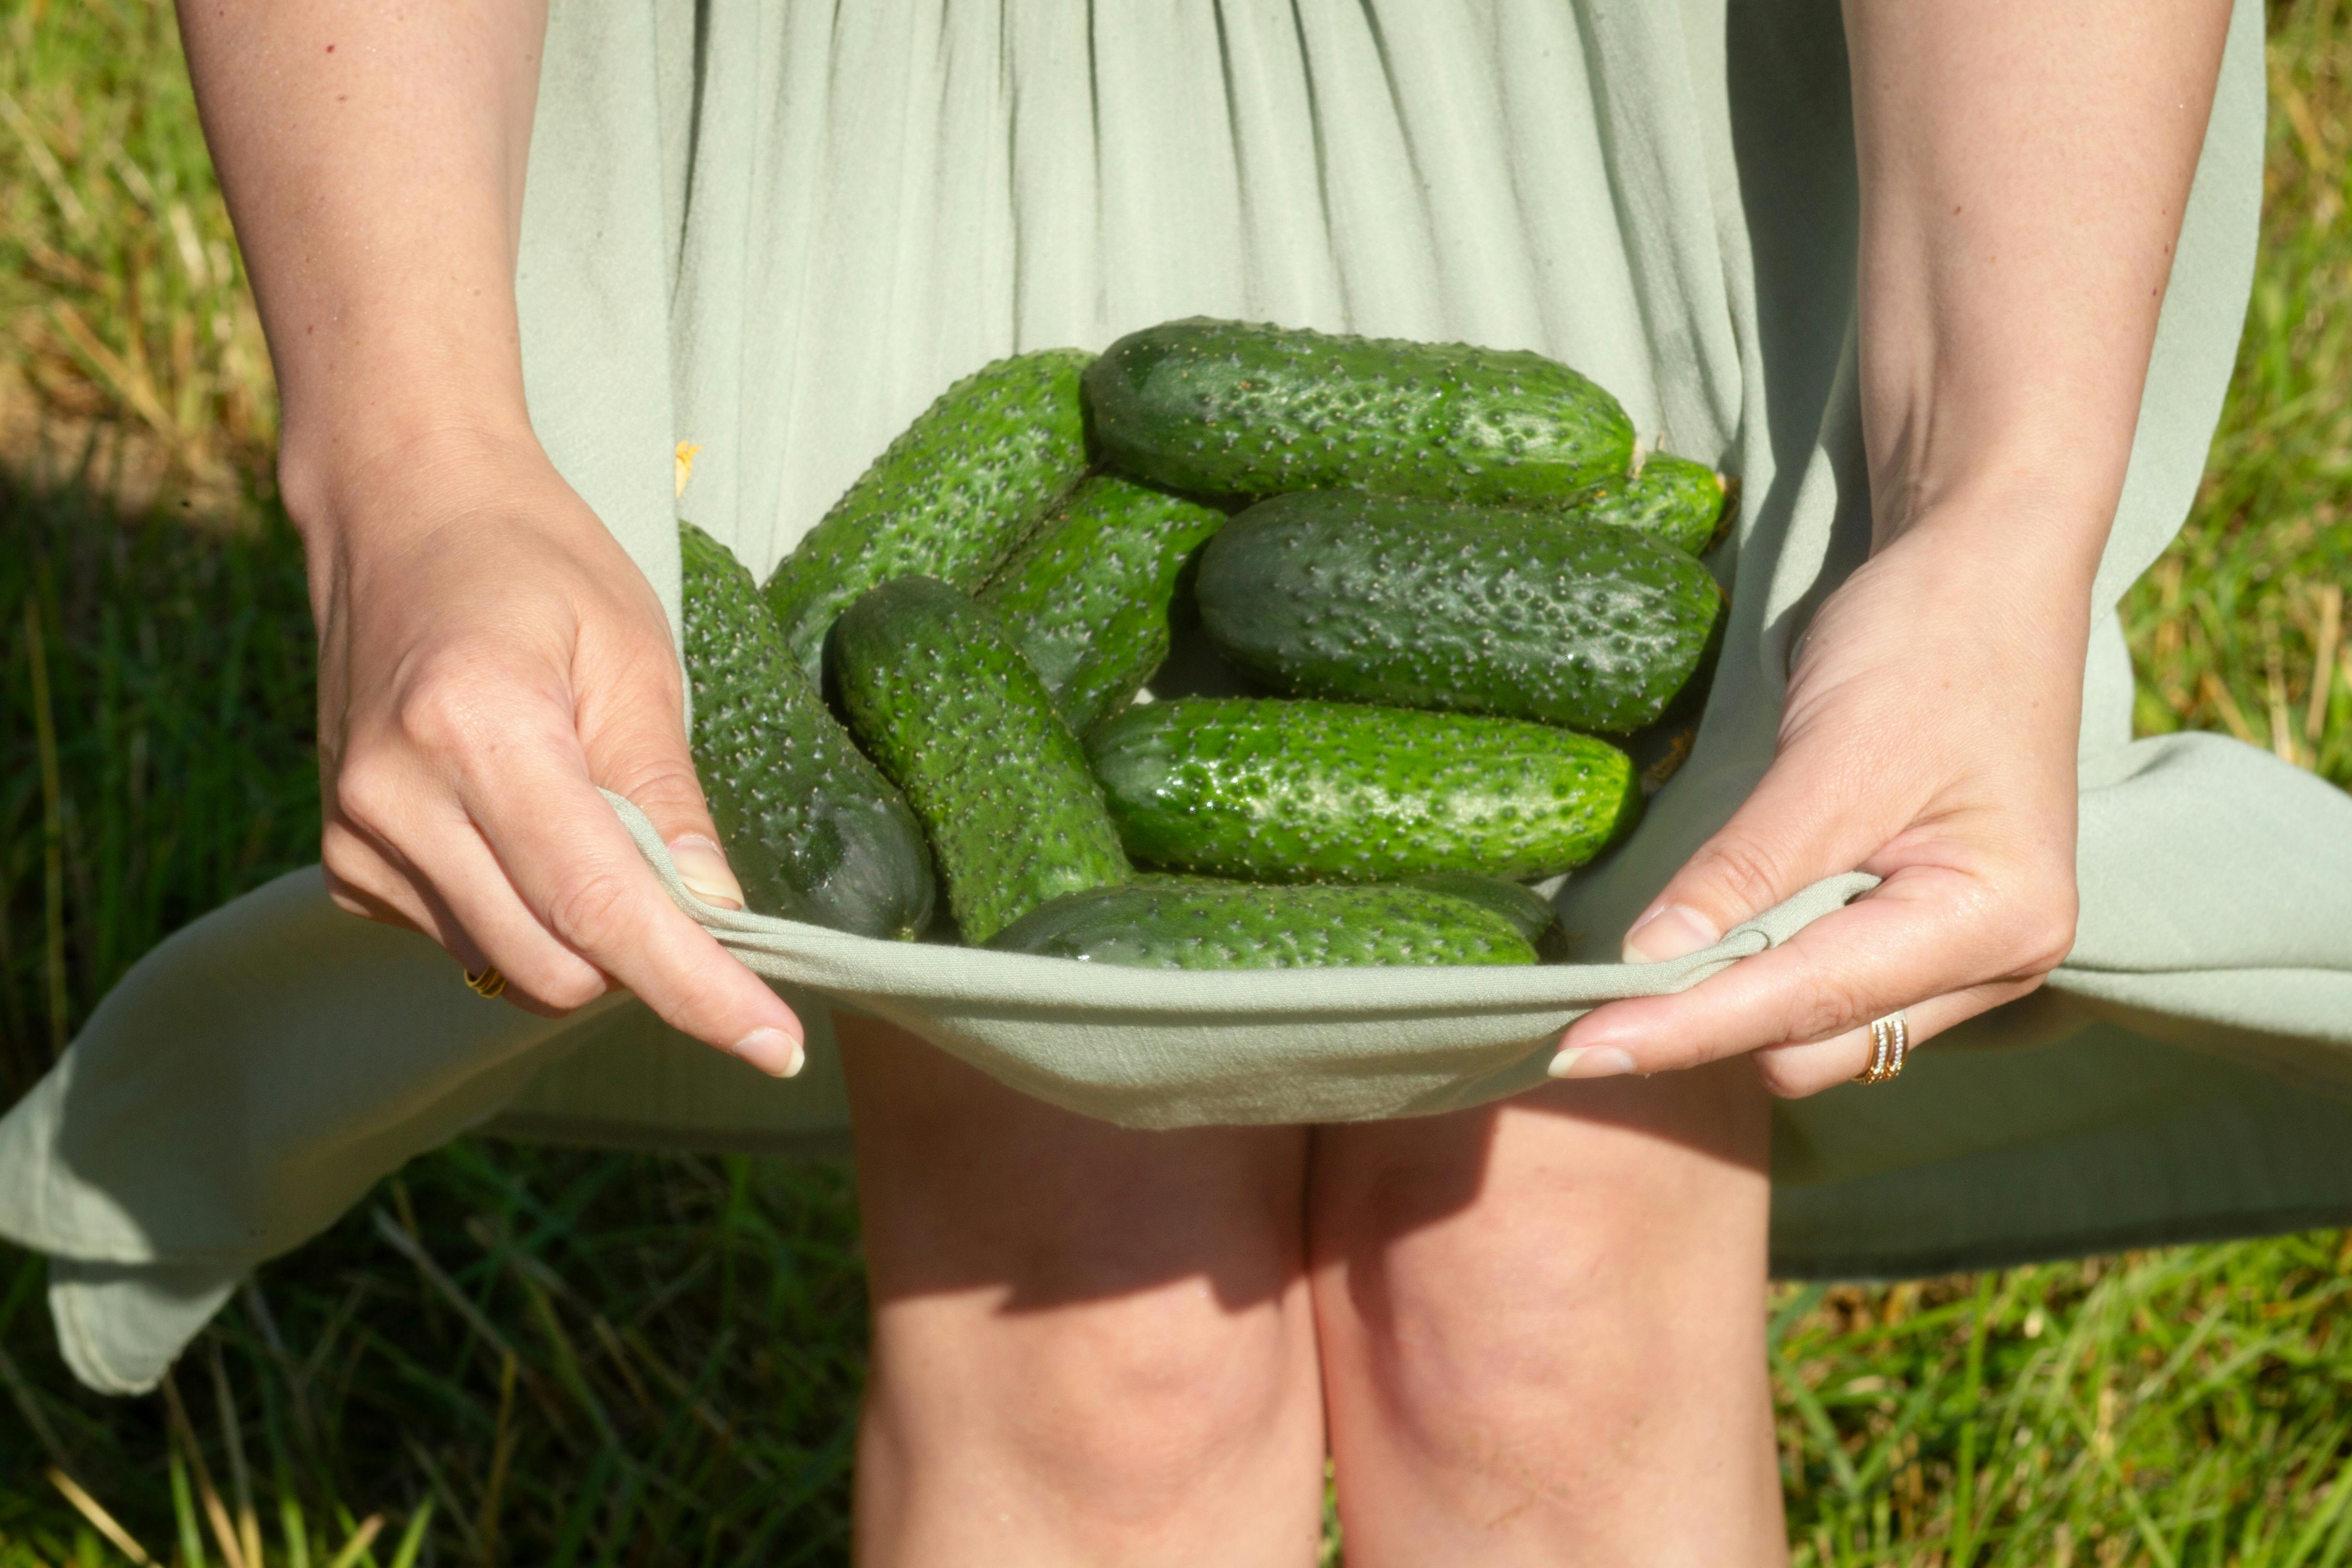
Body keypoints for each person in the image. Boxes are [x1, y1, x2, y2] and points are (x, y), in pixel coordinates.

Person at [169, 0, 2236, 1559]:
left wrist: (1999, 506)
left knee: (1550, 1334)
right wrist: (406, 457)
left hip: (1629, 109)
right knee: (1096, 1362)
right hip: (926, 129)